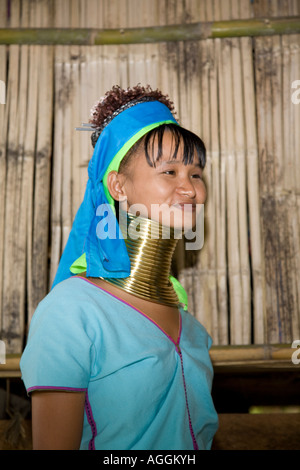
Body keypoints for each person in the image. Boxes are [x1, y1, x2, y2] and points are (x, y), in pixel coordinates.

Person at [20, 84, 218, 450]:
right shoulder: (71, 313)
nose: (190, 189)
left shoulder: (190, 325)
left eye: (196, 174)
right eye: (170, 172)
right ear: (117, 185)